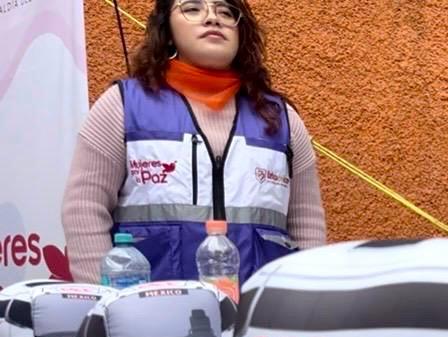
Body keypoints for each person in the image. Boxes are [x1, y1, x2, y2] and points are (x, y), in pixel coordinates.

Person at [61, 0, 326, 285]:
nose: (213, 18)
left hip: (260, 308)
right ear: (167, 29)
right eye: (192, 8)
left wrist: (305, 299)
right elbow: (84, 208)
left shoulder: (281, 119)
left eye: (225, 11)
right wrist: (107, 299)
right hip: (150, 308)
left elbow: (306, 222)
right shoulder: (123, 107)